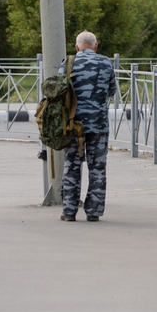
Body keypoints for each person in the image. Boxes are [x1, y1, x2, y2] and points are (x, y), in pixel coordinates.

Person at [60, 31, 117, 222]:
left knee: (71, 166)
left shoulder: (68, 63)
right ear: (96, 46)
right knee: (98, 169)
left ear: (77, 47)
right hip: (99, 126)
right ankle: (94, 212)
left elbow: (60, 90)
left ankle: (69, 211)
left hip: (73, 125)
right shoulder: (106, 62)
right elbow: (112, 90)